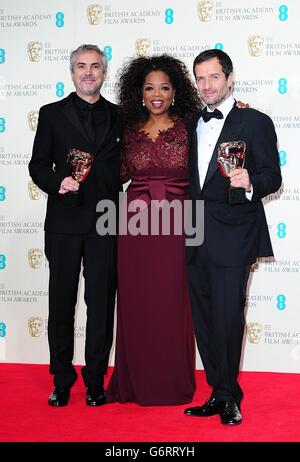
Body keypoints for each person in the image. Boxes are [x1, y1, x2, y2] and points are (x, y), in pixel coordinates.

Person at [184, 49, 282, 424]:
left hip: (234, 235)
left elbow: (273, 176)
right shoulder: (189, 122)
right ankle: (216, 390)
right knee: (204, 318)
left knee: (227, 316)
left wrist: (250, 182)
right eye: (200, 78)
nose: (207, 85)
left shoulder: (254, 121)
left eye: (213, 77)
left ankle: (229, 396)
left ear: (229, 78)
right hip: (193, 233)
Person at [107, 55, 202, 405]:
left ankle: (171, 382)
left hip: (178, 221)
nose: (157, 94)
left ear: (175, 91)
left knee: (173, 300)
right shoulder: (126, 129)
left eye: (164, 87)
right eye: (149, 88)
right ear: (140, 93)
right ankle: (134, 382)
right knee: (137, 300)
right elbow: (111, 173)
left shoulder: (192, 124)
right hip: (135, 225)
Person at [29, 44, 120, 407]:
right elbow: (37, 166)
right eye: (81, 66)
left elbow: (163, 124)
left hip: (105, 222)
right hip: (64, 222)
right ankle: (62, 379)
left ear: (104, 72)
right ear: (72, 72)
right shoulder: (51, 114)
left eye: (95, 66)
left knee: (101, 304)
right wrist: (57, 183)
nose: (88, 72)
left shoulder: (120, 115)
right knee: (61, 303)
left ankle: (96, 380)